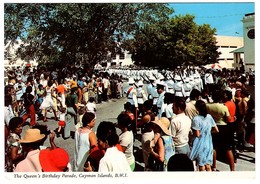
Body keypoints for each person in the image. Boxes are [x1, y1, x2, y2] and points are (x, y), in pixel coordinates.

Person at [206, 90, 234, 171]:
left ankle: (214, 166)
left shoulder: (208, 106)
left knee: (214, 148)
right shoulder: (223, 107)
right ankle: (232, 169)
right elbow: (228, 119)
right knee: (228, 149)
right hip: (224, 127)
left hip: (213, 127)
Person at [189, 100, 219, 171]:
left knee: (201, 164)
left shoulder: (196, 119)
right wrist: (207, 132)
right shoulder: (209, 116)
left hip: (200, 143)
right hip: (208, 142)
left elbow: (197, 134)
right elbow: (216, 130)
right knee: (207, 164)